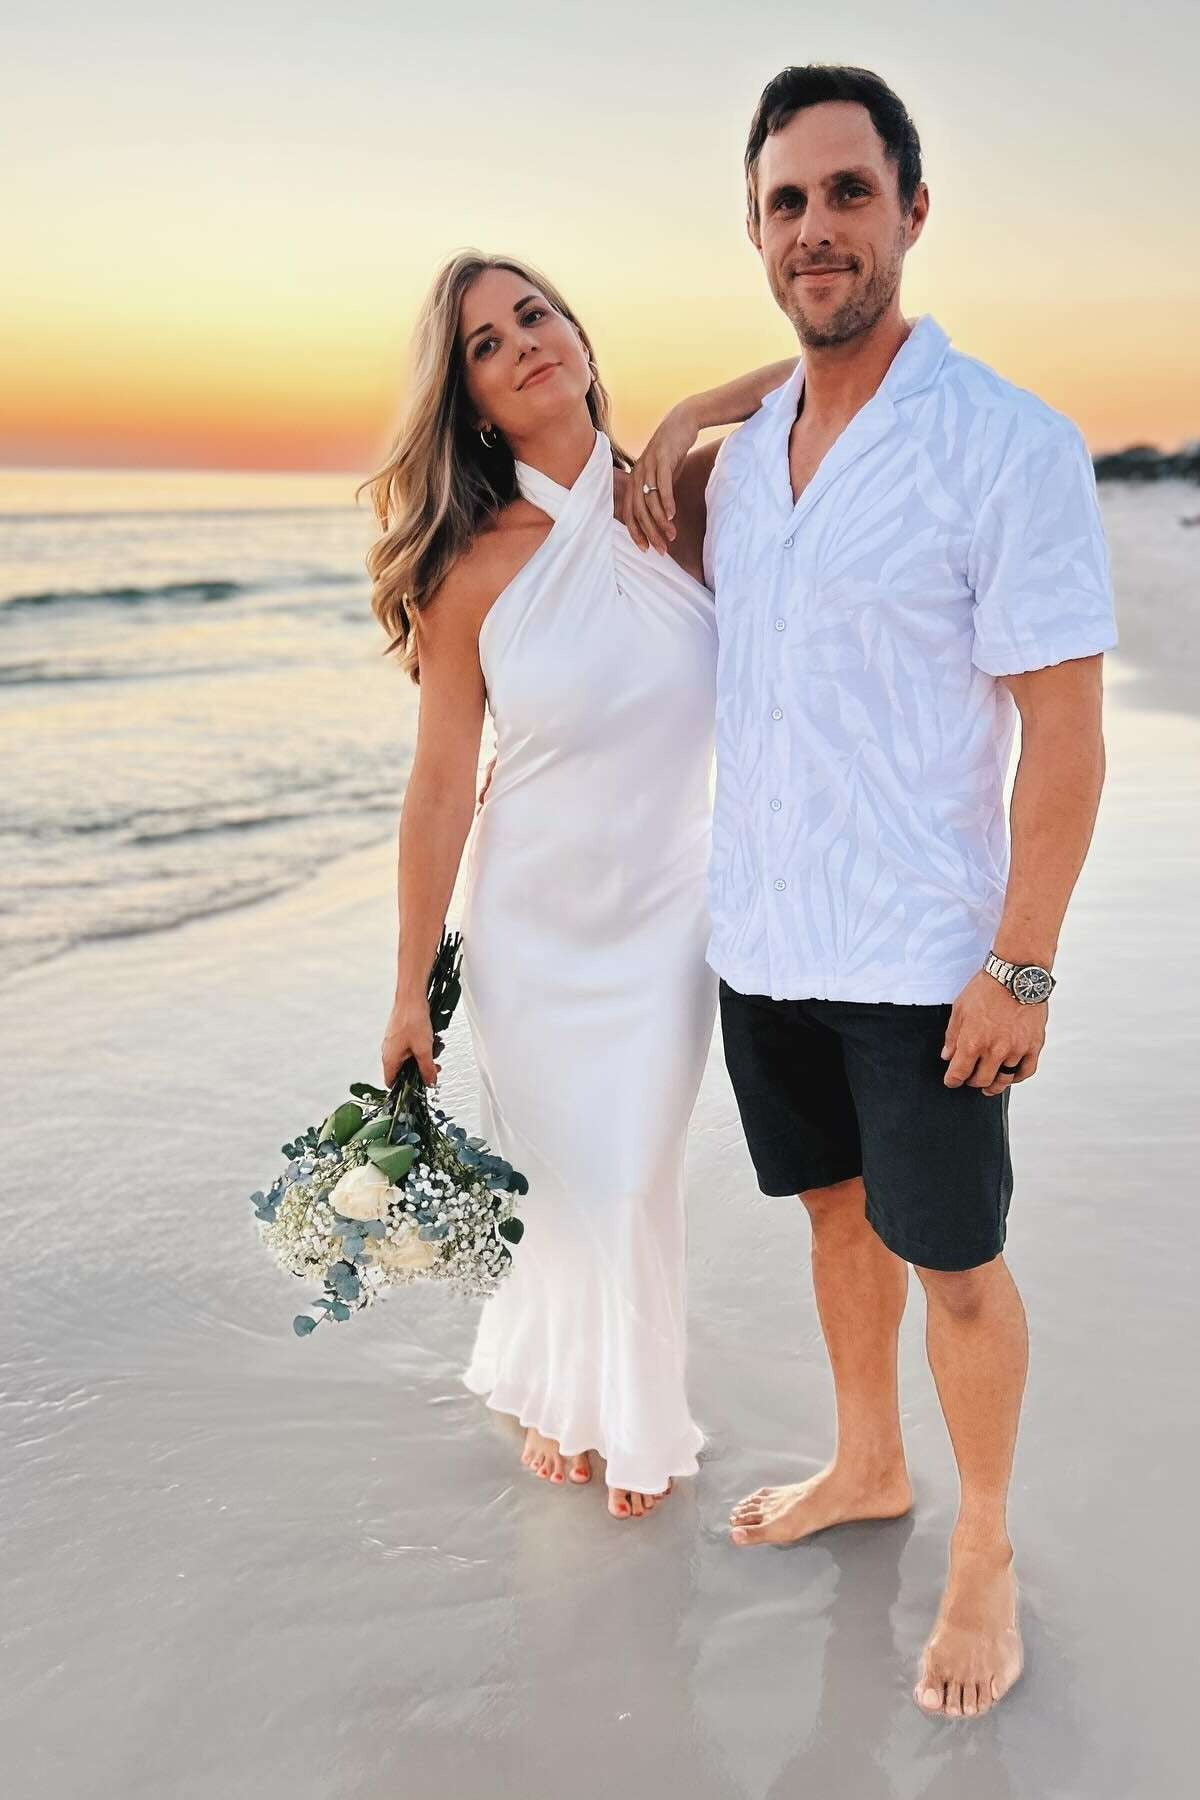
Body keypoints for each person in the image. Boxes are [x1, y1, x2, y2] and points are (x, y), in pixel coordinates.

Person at [623, 64, 1117, 1716]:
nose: (816, 226)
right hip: (763, 932)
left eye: (849, 193)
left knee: (955, 1261)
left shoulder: (1006, 445)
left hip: (925, 953)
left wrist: (1023, 963)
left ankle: (982, 1545)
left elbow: (1063, 726)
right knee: (836, 1218)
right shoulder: (749, 459)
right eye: (786, 202)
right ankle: (867, 1462)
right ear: (756, 234)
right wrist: (701, 404)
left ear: (913, 209)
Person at [362, 252, 793, 1520]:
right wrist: (405, 987)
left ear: (581, 337)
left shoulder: (687, 497)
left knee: (633, 1168)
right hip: (532, 930)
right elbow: (440, 787)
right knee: (571, 1179)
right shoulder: (470, 566)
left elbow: (846, 370)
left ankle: (610, 1397)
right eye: (487, 344)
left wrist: (682, 416)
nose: (522, 345)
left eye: (535, 316)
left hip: (669, 912)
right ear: (474, 400)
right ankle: (578, 1392)